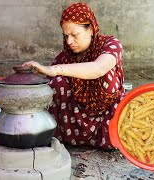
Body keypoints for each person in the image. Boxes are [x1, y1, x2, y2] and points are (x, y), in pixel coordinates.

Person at [22, 2, 124, 149]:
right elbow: (45, 91)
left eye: (75, 35)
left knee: (108, 73)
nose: (69, 41)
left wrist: (56, 69)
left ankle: (106, 137)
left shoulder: (110, 44)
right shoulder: (65, 57)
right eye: (66, 36)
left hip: (106, 119)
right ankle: (68, 138)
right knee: (57, 82)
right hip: (73, 124)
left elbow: (99, 68)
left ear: (91, 29)